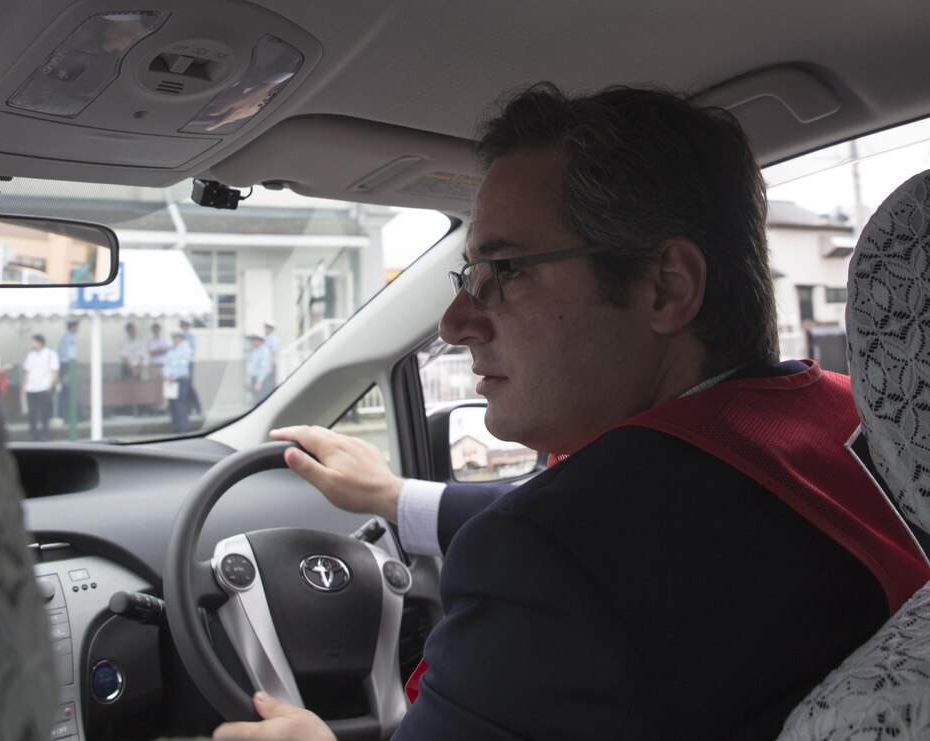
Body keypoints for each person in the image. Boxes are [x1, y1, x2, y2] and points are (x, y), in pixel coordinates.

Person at [213, 85, 929, 740]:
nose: (455, 320)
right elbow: (629, 504)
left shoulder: (546, 561)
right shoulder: (868, 430)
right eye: (469, 274)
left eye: (505, 272)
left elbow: (574, 530)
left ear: (665, 286)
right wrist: (397, 499)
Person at [21, 334, 58, 441]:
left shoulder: (50, 354)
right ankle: (33, 433)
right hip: (31, 387)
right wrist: (24, 385)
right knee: (32, 412)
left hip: (44, 387)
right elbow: (26, 371)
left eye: (33, 342)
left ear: (39, 342)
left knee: (44, 412)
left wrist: (51, 385)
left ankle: (45, 434)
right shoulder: (30, 355)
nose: (31, 344)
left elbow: (54, 371)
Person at [163, 329, 193, 433]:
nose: (175, 339)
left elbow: (183, 366)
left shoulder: (185, 349)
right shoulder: (170, 350)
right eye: (173, 337)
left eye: (176, 337)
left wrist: (173, 376)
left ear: (180, 338)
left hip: (181, 379)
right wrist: (167, 376)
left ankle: (183, 427)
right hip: (171, 381)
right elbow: (166, 364)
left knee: (181, 404)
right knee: (172, 405)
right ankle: (175, 427)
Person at [57, 319, 80, 421]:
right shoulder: (67, 338)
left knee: (71, 392)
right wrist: (68, 371)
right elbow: (64, 355)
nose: (78, 328)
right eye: (76, 326)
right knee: (66, 392)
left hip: (70, 365)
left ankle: (71, 415)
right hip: (66, 366)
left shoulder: (71, 337)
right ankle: (62, 415)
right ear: (72, 327)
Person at [180, 319, 203, 415]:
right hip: (180, 365)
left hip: (188, 363)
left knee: (188, 386)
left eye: (186, 326)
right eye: (183, 326)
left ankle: (196, 407)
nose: (185, 328)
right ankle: (189, 409)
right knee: (184, 387)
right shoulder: (180, 337)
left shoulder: (191, 337)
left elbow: (193, 349)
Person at [246, 334, 271, 404]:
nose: (253, 342)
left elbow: (264, 368)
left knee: (261, 399)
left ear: (259, 341)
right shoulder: (254, 350)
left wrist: (259, 382)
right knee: (255, 399)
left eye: (254, 340)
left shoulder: (264, 351)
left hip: (261, 379)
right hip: (254, 377)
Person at [262, 320, 280, 392]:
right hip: (263, 365)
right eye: (266, 327)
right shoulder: (263, 338)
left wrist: (270, 366)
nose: (266, 329)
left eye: (268, 327)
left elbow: (273, 354)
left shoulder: (274, 339)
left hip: (270, 364)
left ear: (272, 329)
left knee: (270, 383)